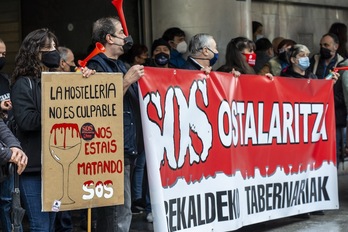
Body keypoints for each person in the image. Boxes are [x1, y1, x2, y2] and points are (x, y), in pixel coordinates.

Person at [10, 28, 92, 232]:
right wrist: (57, 111)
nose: (54, 51)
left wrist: (86, 79)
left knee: (52, 224)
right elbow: (27, 121)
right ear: (34, 52)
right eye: (48, 48)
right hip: (33, 169)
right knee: (40, 226)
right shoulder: (23, 84)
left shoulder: (60, 80)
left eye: (55, 47)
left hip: (56, 168)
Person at [86, 16, 144, 232]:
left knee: (122, 210)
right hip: (109, 152)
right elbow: (100, 105)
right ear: (109, 38)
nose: (126, 37)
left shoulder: (121, 65)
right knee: (116, 213)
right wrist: (127, 80)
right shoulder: (95, 66)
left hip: (126, 148)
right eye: (121, 32)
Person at [0, 38, 28, 232]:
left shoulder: (4, 79)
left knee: (7, 203)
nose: (2, 58)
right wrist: (7, 153)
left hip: (4, 158)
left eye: (3, 54)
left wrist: (15, 146)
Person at [309, 33, 348, 168]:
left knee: (333, 153)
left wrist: (327, 99)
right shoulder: (313, 61)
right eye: (321, 45)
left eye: (326, 45)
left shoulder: (344, 65)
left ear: (336, 46)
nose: (322, 48)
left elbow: (344, 93)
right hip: (315, 115)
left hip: (335, 115)